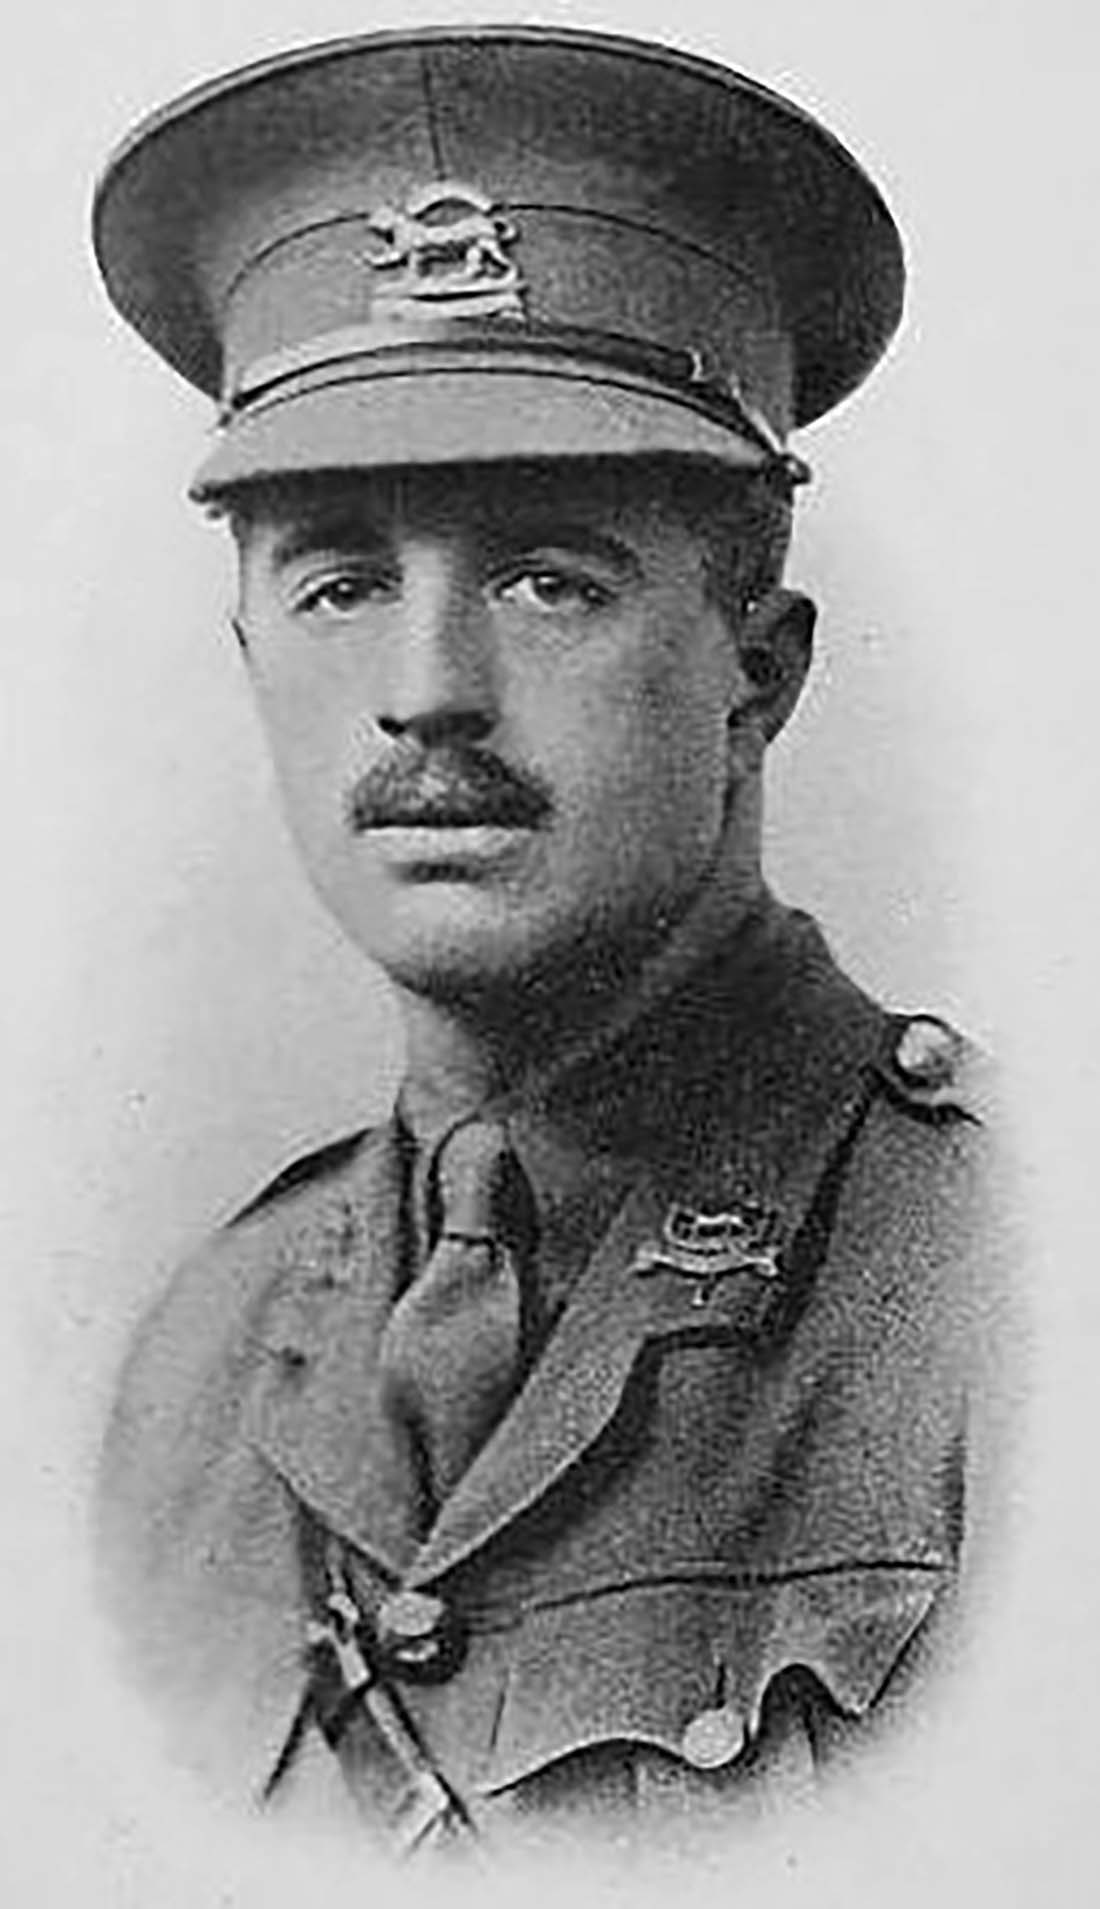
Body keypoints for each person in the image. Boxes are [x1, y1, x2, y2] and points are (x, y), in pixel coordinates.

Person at [91, 24, 1006, 1860]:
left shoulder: (1019, 1287)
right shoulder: (197, 1357)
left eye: (547, 577)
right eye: (342, 582)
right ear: (251, 655)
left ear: (760, 669)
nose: (426, 690)